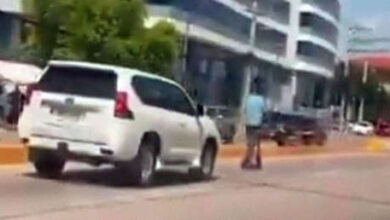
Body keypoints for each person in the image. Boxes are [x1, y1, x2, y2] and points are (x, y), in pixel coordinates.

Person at [242, 82, 266, 170]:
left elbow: (245, 110)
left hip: (248, 123)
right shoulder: (261, 99)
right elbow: (264, 112)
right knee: (257, 144)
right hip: (257, 124)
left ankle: (248, 160)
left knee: (250, 143)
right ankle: (253, 161)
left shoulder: (248, 99)